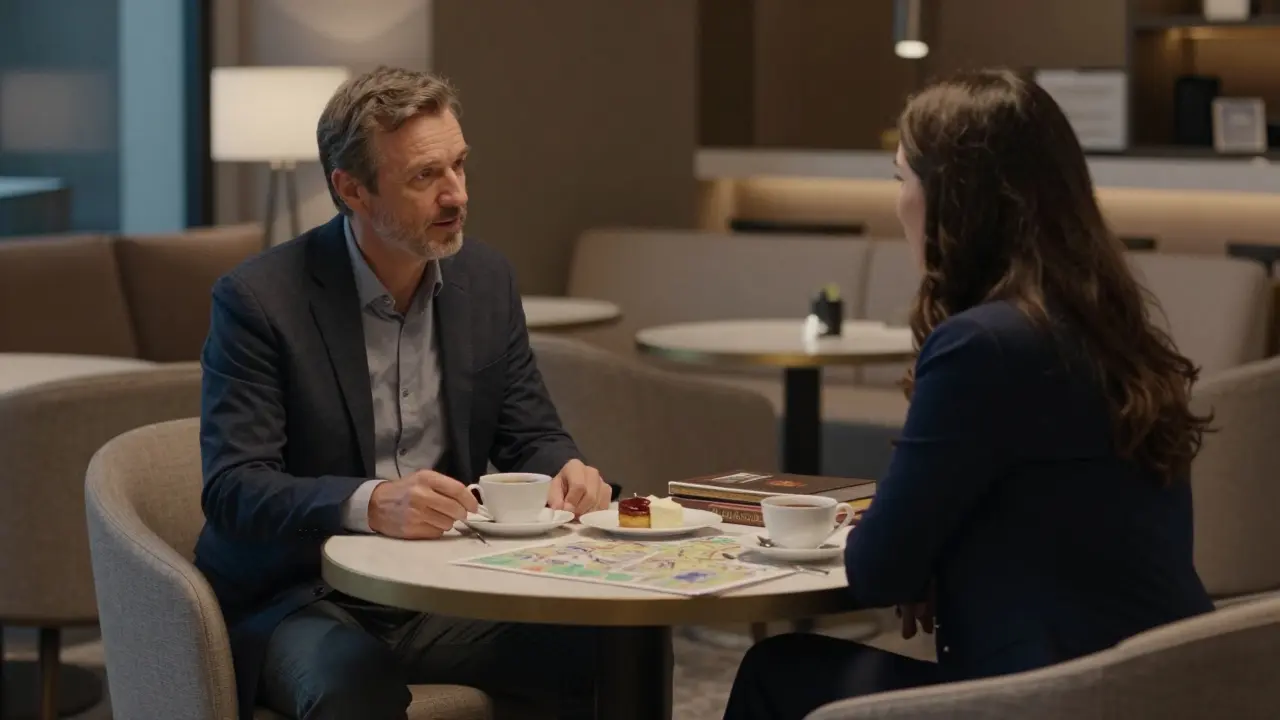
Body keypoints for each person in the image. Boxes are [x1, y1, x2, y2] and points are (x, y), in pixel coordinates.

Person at [723, 68, 1215, 720]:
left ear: (953, 201)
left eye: (902, 179)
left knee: (775, 671)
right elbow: (1047, 517)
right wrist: (938, 560)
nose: (896, 202)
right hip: (1169, 687)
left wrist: (917, 559)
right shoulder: (1107, 327)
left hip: (1056, 700)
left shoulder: (983, 346)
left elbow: (877, 571)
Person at [194, 66, 616, 720]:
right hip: (304, 594)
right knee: (349, 681)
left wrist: (567, 472)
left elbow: (529, 432)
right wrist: (372, 503)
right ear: (351, 189)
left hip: (446, 583)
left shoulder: (486, 280)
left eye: (460, 166)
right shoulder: (259, 299)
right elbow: (234, 488)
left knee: (609, 643)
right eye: (425, 177)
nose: (456, 195)